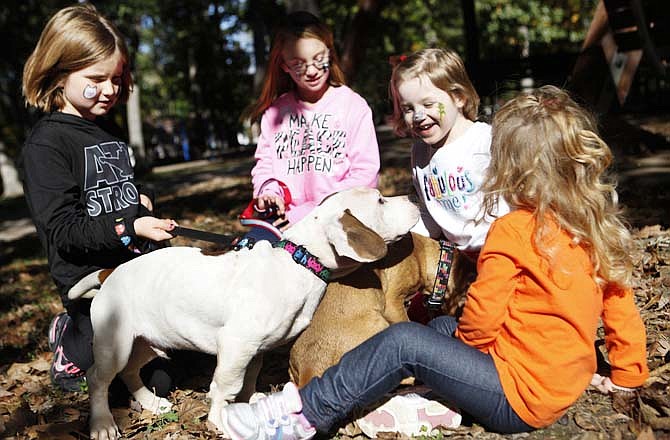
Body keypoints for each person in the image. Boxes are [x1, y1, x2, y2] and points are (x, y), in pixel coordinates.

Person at [219, 85, 649, 439]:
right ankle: (424, 393)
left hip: (516, 398)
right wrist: (628, 376)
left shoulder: (514, 230)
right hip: (561, 379)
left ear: (511, 170)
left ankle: (303, 414)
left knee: (406, 341)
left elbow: (481, 320)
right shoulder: (593, 226)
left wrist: (452, 357)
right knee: (438, 330)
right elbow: (621, 310)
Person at [20, 3, 176, 392]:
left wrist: (143, 200)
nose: (110, 89)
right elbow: (64, 230)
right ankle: (72, 340)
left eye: (118, 78)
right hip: (89, 282)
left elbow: (121, 190)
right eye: (97, 78)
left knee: (165, 377)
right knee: (119, 383)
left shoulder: (106, 132)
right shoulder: (48, 144)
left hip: (133, 273)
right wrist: (128, 225)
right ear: (59, 73)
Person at [235, 10, 380, 248]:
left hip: (341, 222)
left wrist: (310, 212)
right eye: (298, 64)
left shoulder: (352, 105)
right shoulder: (274, 113)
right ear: (284, 66)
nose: (311, 71)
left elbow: (365, 176)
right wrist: (269, 192)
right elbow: (265, 165)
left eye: (318, 59)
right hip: (283, 225)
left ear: (330, 53)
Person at [389, 48, 509, 322]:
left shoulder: (486, 141)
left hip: (503, 253)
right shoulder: (420, 154)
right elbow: (431, 216)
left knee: (494, 319)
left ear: (458, 97)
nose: (418, 116)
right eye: (408, 109)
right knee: (424, 317)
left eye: (428, 105)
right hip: (458, 257)